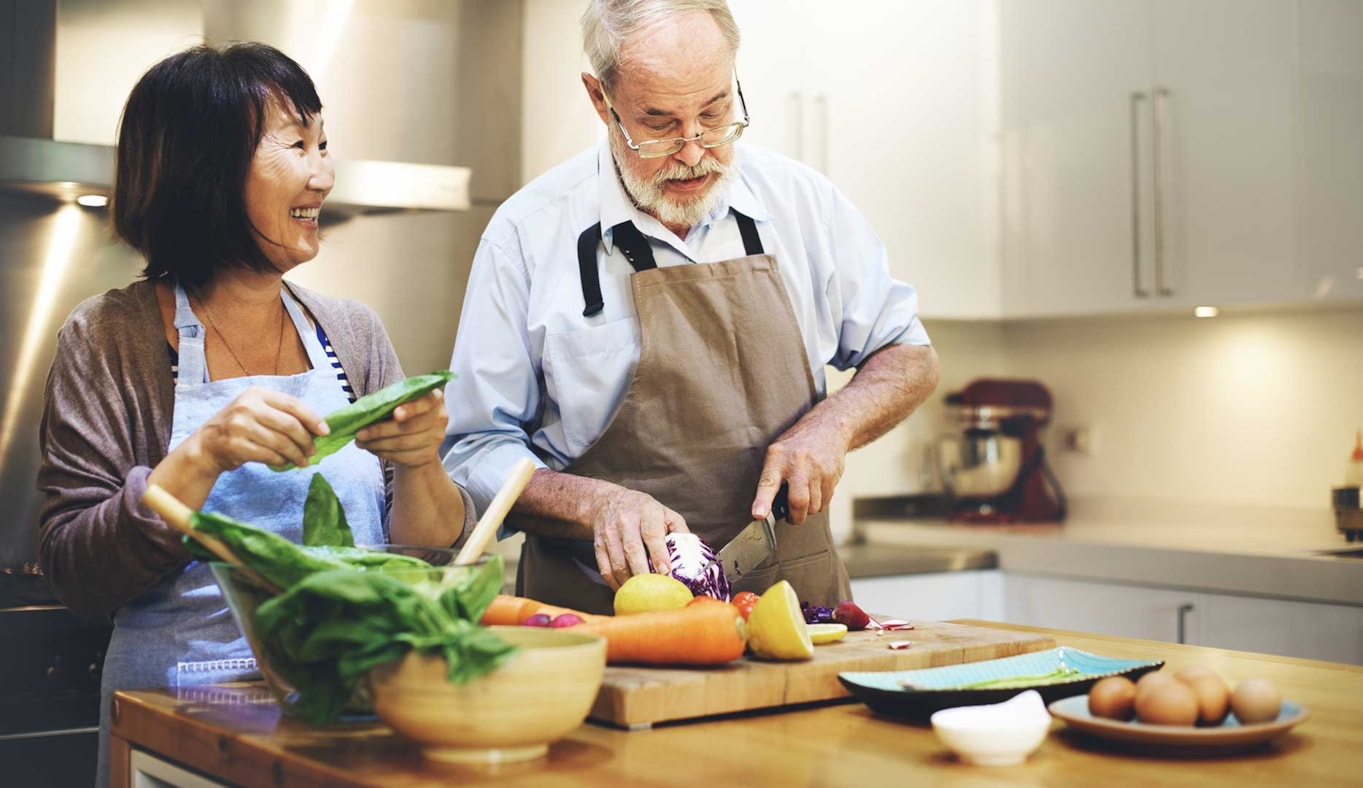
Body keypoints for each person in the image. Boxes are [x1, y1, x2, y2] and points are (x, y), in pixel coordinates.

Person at [35, 43, 473, 784]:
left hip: (349, 715)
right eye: (297, 144)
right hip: (180, 725)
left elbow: (424, 551)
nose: (323, 174)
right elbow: (76, 573)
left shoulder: (352, 331)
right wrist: (201, 457)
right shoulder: (110, 335)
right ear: (204, 169)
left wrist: (420, 460)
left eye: (324, 144)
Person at [442, 0, 939, 615]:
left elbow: (908, 354)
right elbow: (472, 450)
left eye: (715, 111)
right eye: (659, 124)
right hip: (599, 629)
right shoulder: (526, 235)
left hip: (797, 617)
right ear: (601, 101)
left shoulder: (803, 204)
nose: (694, 150)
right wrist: (594, 504)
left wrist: (832, 427)